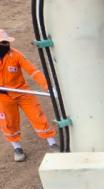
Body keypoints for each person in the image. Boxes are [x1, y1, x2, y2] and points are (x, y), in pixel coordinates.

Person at [0, 30, 57, 162]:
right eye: (2, 43)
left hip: (22, 92)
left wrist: (48, 87)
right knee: (8, 122)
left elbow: (33, 71)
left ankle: (52, 143)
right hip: (3, 97)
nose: (5, 45)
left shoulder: (16, 55)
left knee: (37, 115)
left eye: (6, 42)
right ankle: (17, 147)